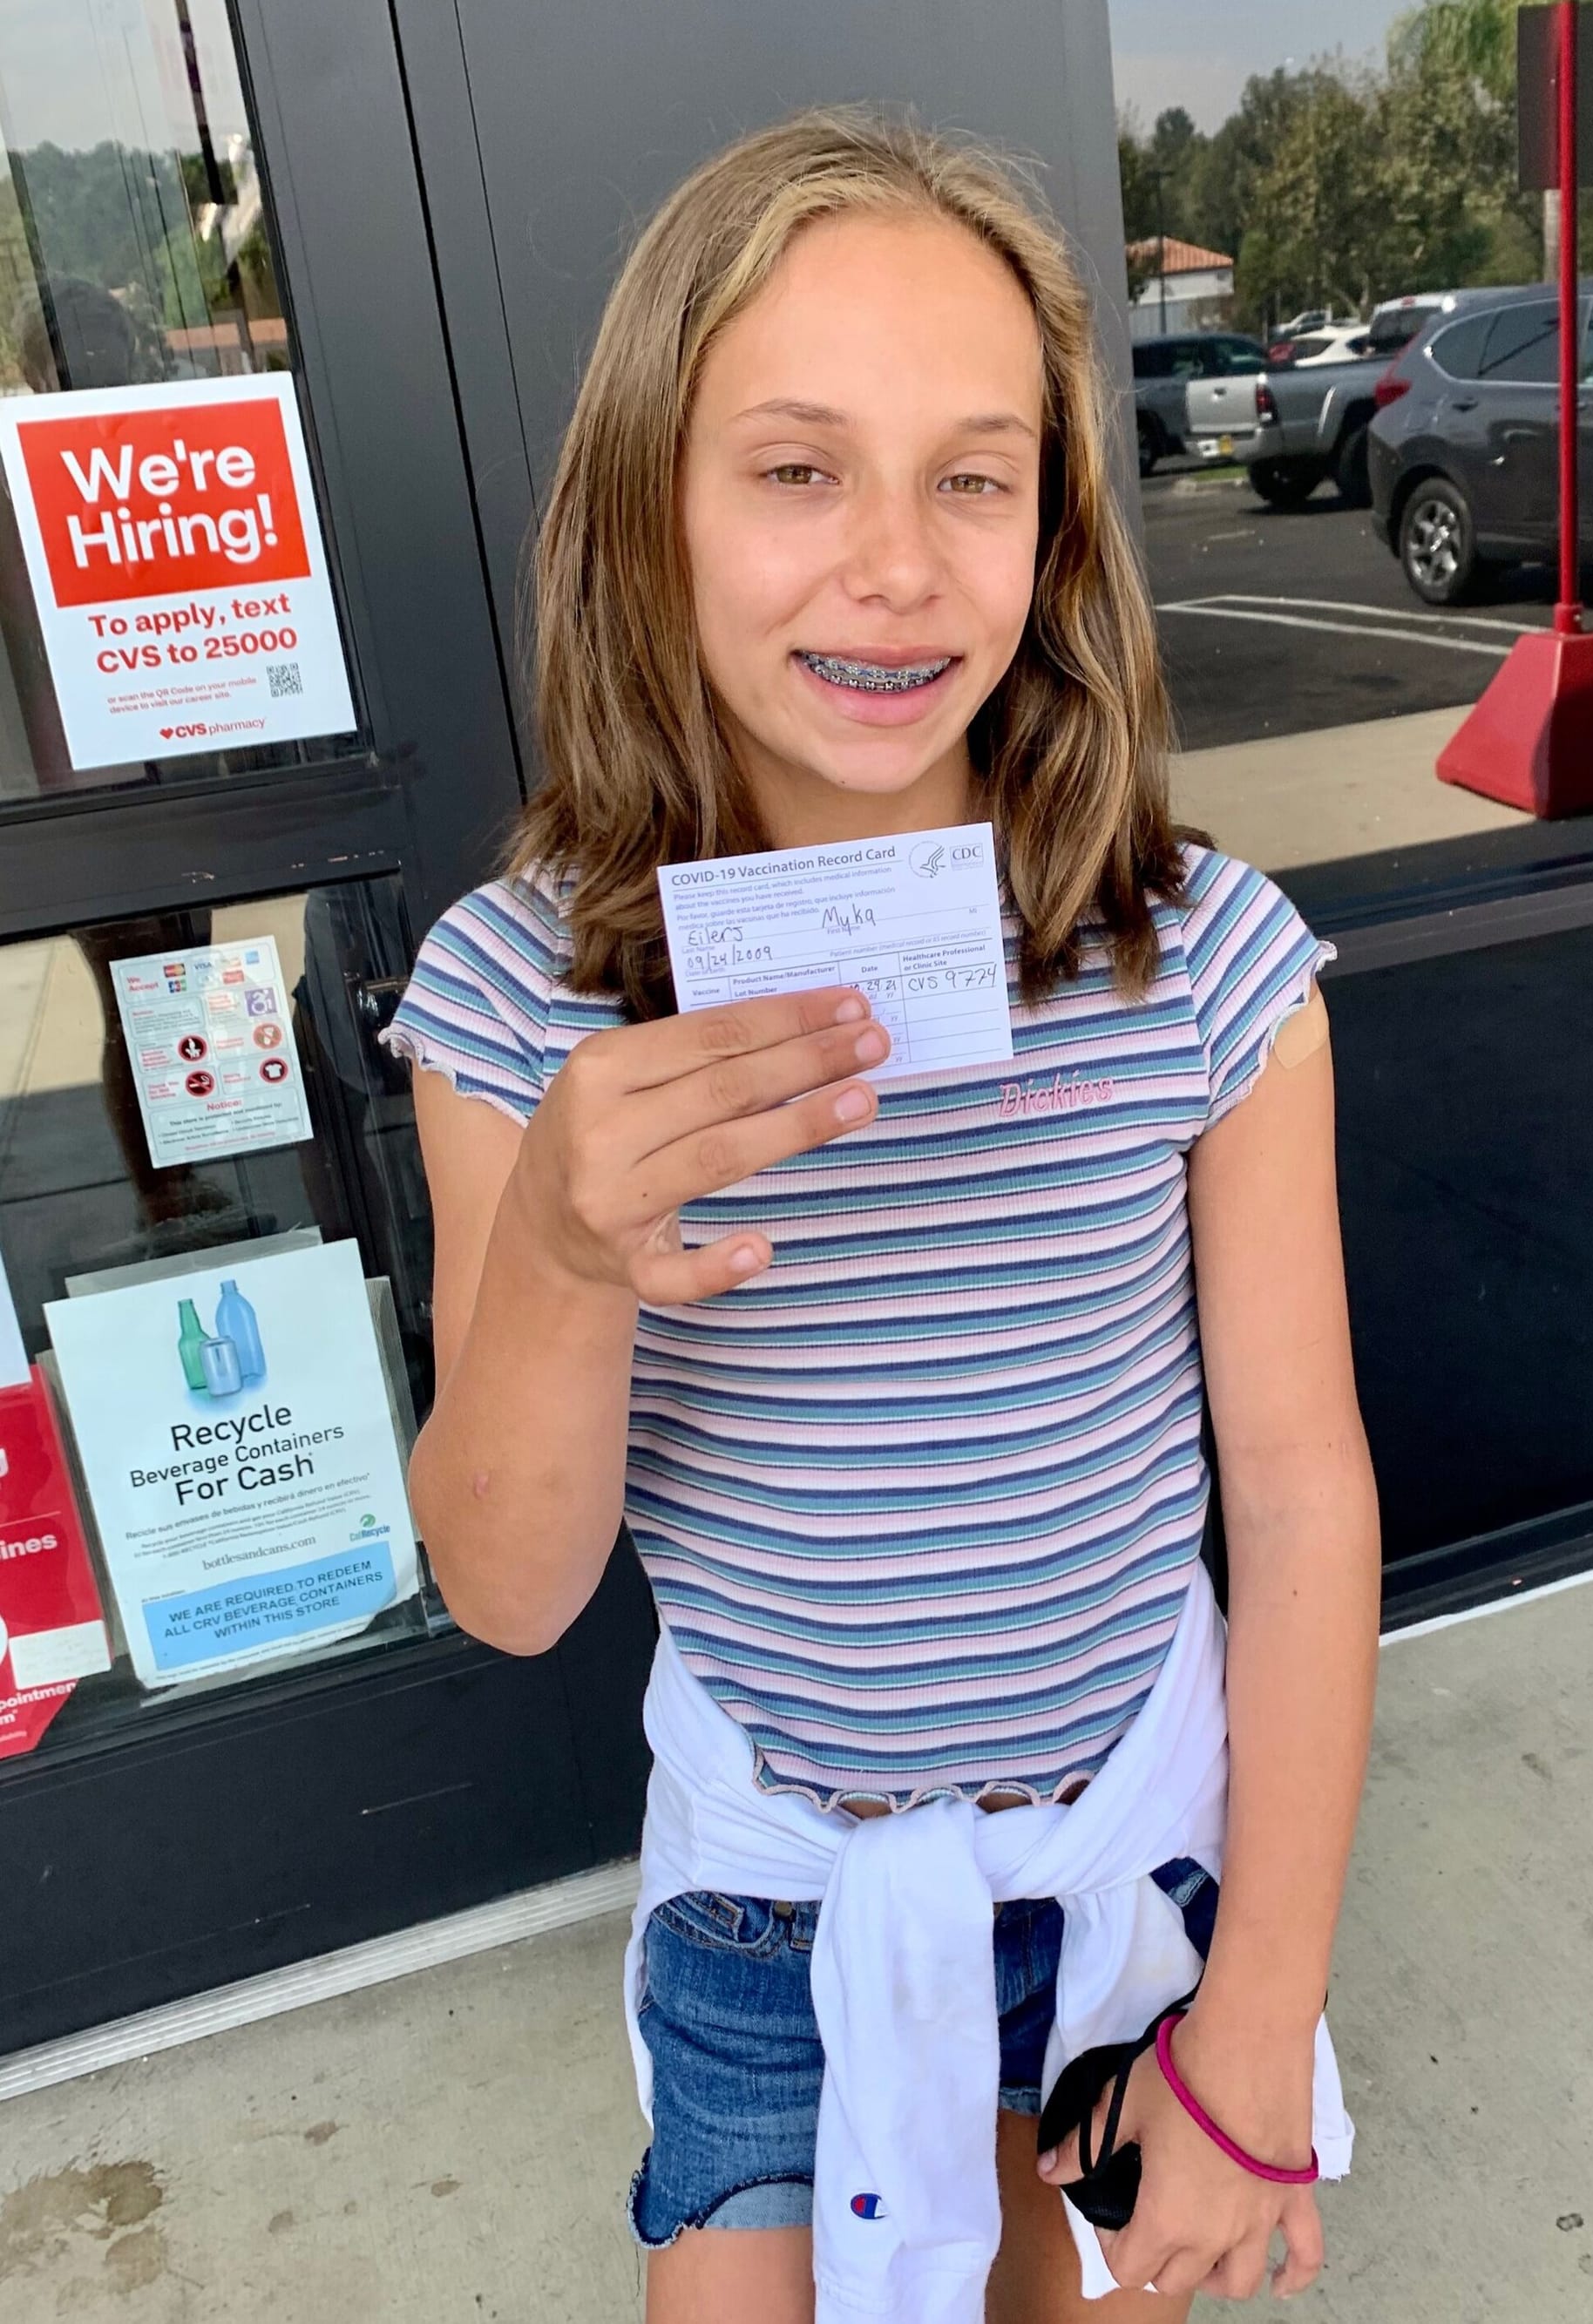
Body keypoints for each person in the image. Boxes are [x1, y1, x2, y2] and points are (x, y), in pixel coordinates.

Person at [383, 109, 1380, 2324]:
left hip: (1136, 1851)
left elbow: (1300, 1494)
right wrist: (556, 1251)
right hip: (778, 1903)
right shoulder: (512, 998)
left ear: (1055, 522)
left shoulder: (1197, 963)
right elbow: (509, 1586)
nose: (897, 567)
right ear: (652, 503)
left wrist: (1253, 2024)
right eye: (795, 467)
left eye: (972, 473)